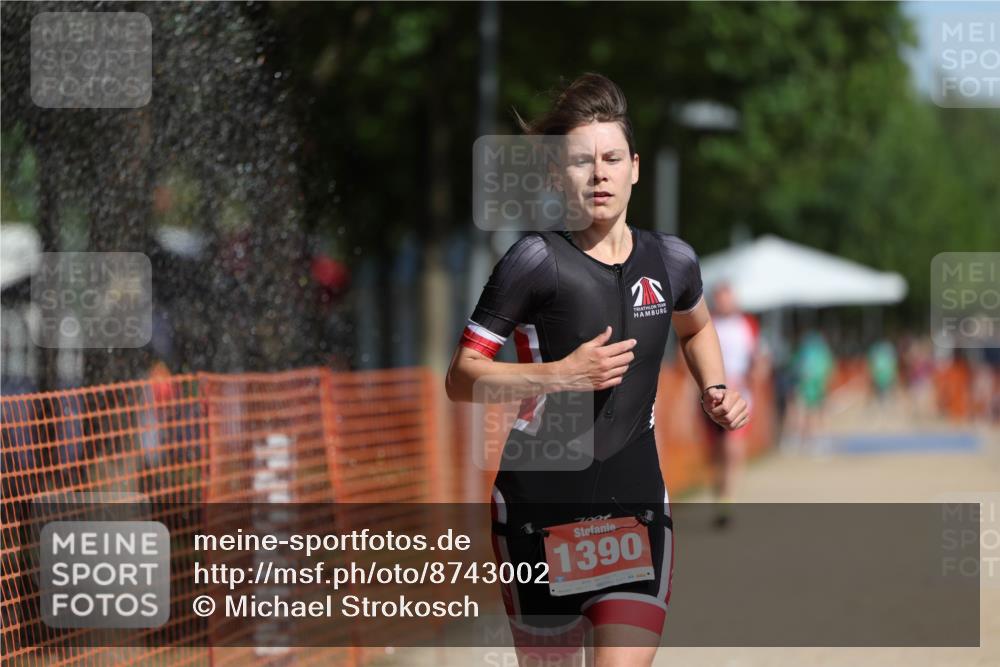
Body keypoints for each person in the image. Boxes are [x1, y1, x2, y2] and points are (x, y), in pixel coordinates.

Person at [446, 73, 747, 667]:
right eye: (581, 162)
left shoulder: (673, 260)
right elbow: (461, 377)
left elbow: (697, 326)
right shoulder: (534, 262)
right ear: (560, 176)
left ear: (635, 167)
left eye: (611, 158)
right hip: (538, 509)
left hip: (634, 505)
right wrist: (562, 374)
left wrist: (715, 387)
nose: (599, 173)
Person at [701, 283, 759, 528]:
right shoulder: (707, 324)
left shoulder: (747, 325)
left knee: (732, 448)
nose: (724, 301)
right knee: (716, 453)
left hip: (739, 396)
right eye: (720, 297)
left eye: (727, 297)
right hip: (710, 397)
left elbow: (757, 358)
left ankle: (728, 499)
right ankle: (720, 496)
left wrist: (750, 383)